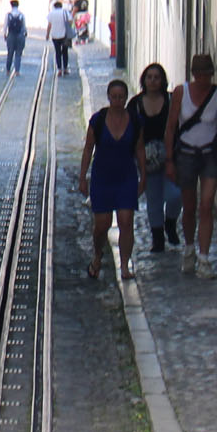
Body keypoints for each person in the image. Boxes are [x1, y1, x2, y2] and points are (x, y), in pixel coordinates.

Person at [168, 52, 217, 276]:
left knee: (206, 206)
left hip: (210, 154)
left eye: (209, 74)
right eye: (201, 75)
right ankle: (189, 249)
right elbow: (171, 127)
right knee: (189, 206)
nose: (205, 79)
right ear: (194, 74)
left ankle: (204, 258)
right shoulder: (180, 93)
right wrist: (169, 159)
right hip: (185, 154)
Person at [77, 76, 143, 280]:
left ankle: (125, 265)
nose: (117, 100)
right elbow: (88, 149)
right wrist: (83, 177)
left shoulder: (135, 121)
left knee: (126, 221)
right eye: (113, 97)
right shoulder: (97, 120)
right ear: (108, 97)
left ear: (126, 98)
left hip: (127, 176)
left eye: (121, 97)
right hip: (102, 177)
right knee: (102, 225)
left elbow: (140, 150)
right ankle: (97, 255)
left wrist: (144, 177)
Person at [133, 62, 178, 252]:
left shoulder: (171, 100)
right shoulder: (135, 104)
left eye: (156, 77)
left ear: (162, 81)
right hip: (147, 160)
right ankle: (157, 237)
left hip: (171, 157)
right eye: (149, 77)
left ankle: (170, 222)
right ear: (144, 80)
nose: (152, 81)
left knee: (175, 195)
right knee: (153, 199)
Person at [45, 0, 74, 75]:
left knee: (57, 52)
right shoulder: (65, 12)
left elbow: (49, 25)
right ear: (61, 6)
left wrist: (47, 34)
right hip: (64, 35)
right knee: (65, 52)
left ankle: (59, 69)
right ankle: (65, 68)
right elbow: (71, 21)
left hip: (55, 35)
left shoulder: (51, 13)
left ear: (54, 7)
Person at [2, 0, 27, 76]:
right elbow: (24, 26)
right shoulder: (21, 15)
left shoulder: (8, 15)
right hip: (19, 35)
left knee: (10, 53)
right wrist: (25, 33)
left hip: (11, 35)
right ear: (18, 5)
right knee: (18, 54)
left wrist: (5, 35)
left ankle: (8, 70)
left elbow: (5, 26)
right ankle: (17, 71)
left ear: (11, 5)